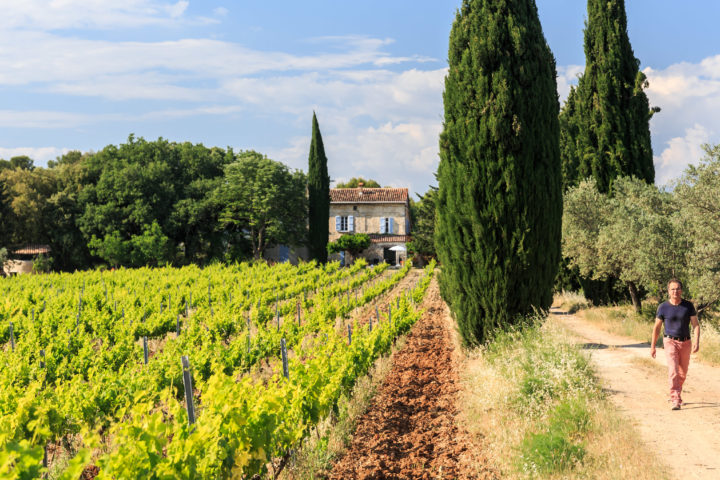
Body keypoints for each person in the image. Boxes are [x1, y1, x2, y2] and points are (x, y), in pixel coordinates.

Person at [650, 279, 700, 410]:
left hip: (686, 342)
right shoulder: (663, 307)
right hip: (669, 341)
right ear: (668, 291)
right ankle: (675, 399)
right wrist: (653, 346)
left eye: (677, 289)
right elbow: (657, 328)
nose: (675, 291)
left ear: (681, 290)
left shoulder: (688, 306)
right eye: (672, 289)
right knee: (673, 371)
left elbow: (695, 325)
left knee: (682, 373)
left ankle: (677, 392)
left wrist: (696, 341)